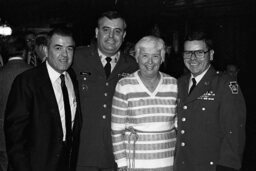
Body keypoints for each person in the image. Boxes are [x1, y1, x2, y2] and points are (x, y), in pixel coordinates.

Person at [4, 27, 81, 171]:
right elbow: (15, 136)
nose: (65, 54)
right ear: (46, 50)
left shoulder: (72, 77)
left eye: (69, 49)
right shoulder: (26, 81)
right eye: (58, 48)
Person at [72, 10, 138, 171]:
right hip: (82, 153)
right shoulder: (76, 58)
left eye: (117, 31)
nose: (111, 36)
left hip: (117, 156)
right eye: (106, 30)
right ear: (96, 32)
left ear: (124, 35)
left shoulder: (133, 66)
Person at [174, 31, 246, 171]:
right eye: (188, 53)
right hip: (182, 165)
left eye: (199, 52)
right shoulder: (179, 83)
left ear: (211, 55)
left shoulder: (224, 85)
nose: (193, 58)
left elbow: (234, 136)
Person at [111, 35, 177, 171]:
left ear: (162, 58)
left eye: (155, 56)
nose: (150, 62)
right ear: (137, 57)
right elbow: (116, 130)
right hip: (135, 162)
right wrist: (121, 162)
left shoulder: (174, 84)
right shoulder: (124, 85)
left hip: (168, 161)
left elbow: (179, 123)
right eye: (145, 56)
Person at [0, 34, 32, 171]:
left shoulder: (1, 74)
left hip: (2, 137)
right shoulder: (33, 73)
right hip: (28, 135)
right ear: (25, 52)